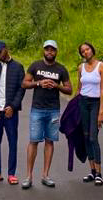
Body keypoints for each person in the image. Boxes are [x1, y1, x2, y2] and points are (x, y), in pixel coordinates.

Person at [21, 40, 71, 189]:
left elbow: (69, 89)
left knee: (49, 141)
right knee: (34, 141)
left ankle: (45, 175)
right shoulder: (35, 65)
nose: (50, 52)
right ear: (43, 50)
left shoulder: (61, 69)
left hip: (53, 110)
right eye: (47, 49)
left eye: (52, 50)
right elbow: (24, 83)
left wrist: (56, 85)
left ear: (56, 52)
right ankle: (28, 177)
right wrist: (38, 83)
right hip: (37, 109)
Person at [0, 40, 25, 185]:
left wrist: (13, 107)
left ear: (6, 49)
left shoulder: (18, 67)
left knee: (12, 142)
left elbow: (21, 89)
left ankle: (11, 174)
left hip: (10, 113)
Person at [77, 42, 103, 186]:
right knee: (86, 137)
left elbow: (102, 90)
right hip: (83, 102)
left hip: (95, 103)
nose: (85, 52)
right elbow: (79, 88)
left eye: (87, 49)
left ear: (92, 50)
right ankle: (92, 171)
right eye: (82, 51)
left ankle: (99, 173)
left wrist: (101, 112)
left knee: (94, 137)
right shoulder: (80, 67)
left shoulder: (101, 66)